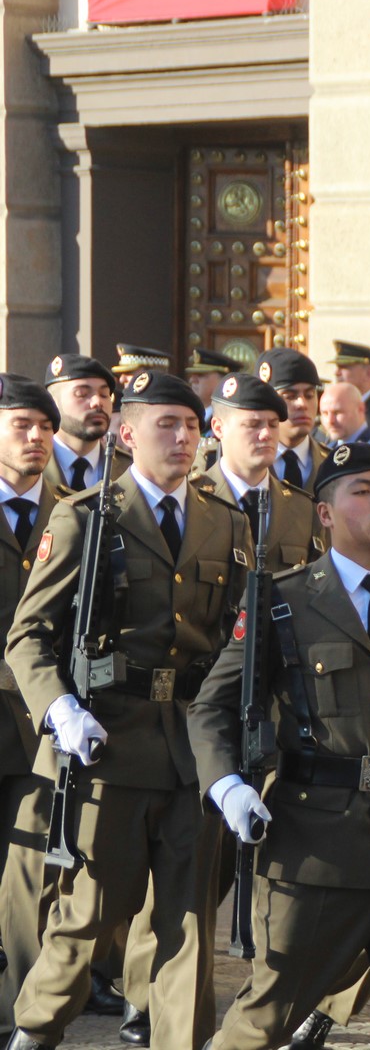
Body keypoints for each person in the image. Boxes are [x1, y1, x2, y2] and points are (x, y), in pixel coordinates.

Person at [188, 442, 370, 1050]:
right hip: (315, 847)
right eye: (362, 491)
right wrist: (227, 784)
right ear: (324, 514)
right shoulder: (283, 598)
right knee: (266, 1016)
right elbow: (212, 706)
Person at [6, 372, 250, 1050]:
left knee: (190, 920)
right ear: (127, 433)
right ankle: (35, 1030)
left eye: (191, 426)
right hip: (106, 744)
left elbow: (238, 638)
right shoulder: (86, 516)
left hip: (192, 750)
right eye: (165, 424)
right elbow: (28, 636)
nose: (181, 438)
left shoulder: (226, 521)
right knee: (89, 914)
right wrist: (60, 709)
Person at [0, 378, 63, 1038]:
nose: (37, 438)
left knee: (27, 874)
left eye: (46, 427)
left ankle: (17, 1012)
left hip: (39, 722)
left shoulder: (72, 514)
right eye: (22, 425)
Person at [191, 374, 324, 574]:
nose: (266, 434)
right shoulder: (191, 500)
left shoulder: (304, 509)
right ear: (218, 428)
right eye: (253, 425)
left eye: (273, 424)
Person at [42, 354, 127, 492]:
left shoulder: (128, 469)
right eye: (82, 394)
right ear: (52, 402)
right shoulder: (31, 465)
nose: (97, 402)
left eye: (104, 395)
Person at [259, 348, 329, 493]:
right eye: (290, 396)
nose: (302, 404)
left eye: (309, 395)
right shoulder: (239, 462)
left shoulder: (332, 463)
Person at [183, 348, 239, 422]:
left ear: (224, 381)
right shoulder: (188, 414)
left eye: (201, 375)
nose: (192, 380)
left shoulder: (231, 419)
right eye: (192, 375)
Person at [319, 383, 370, 449]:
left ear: (360, 409)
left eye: (337, 412)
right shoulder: (326, 450)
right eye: (325, 413)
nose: (330, 421)